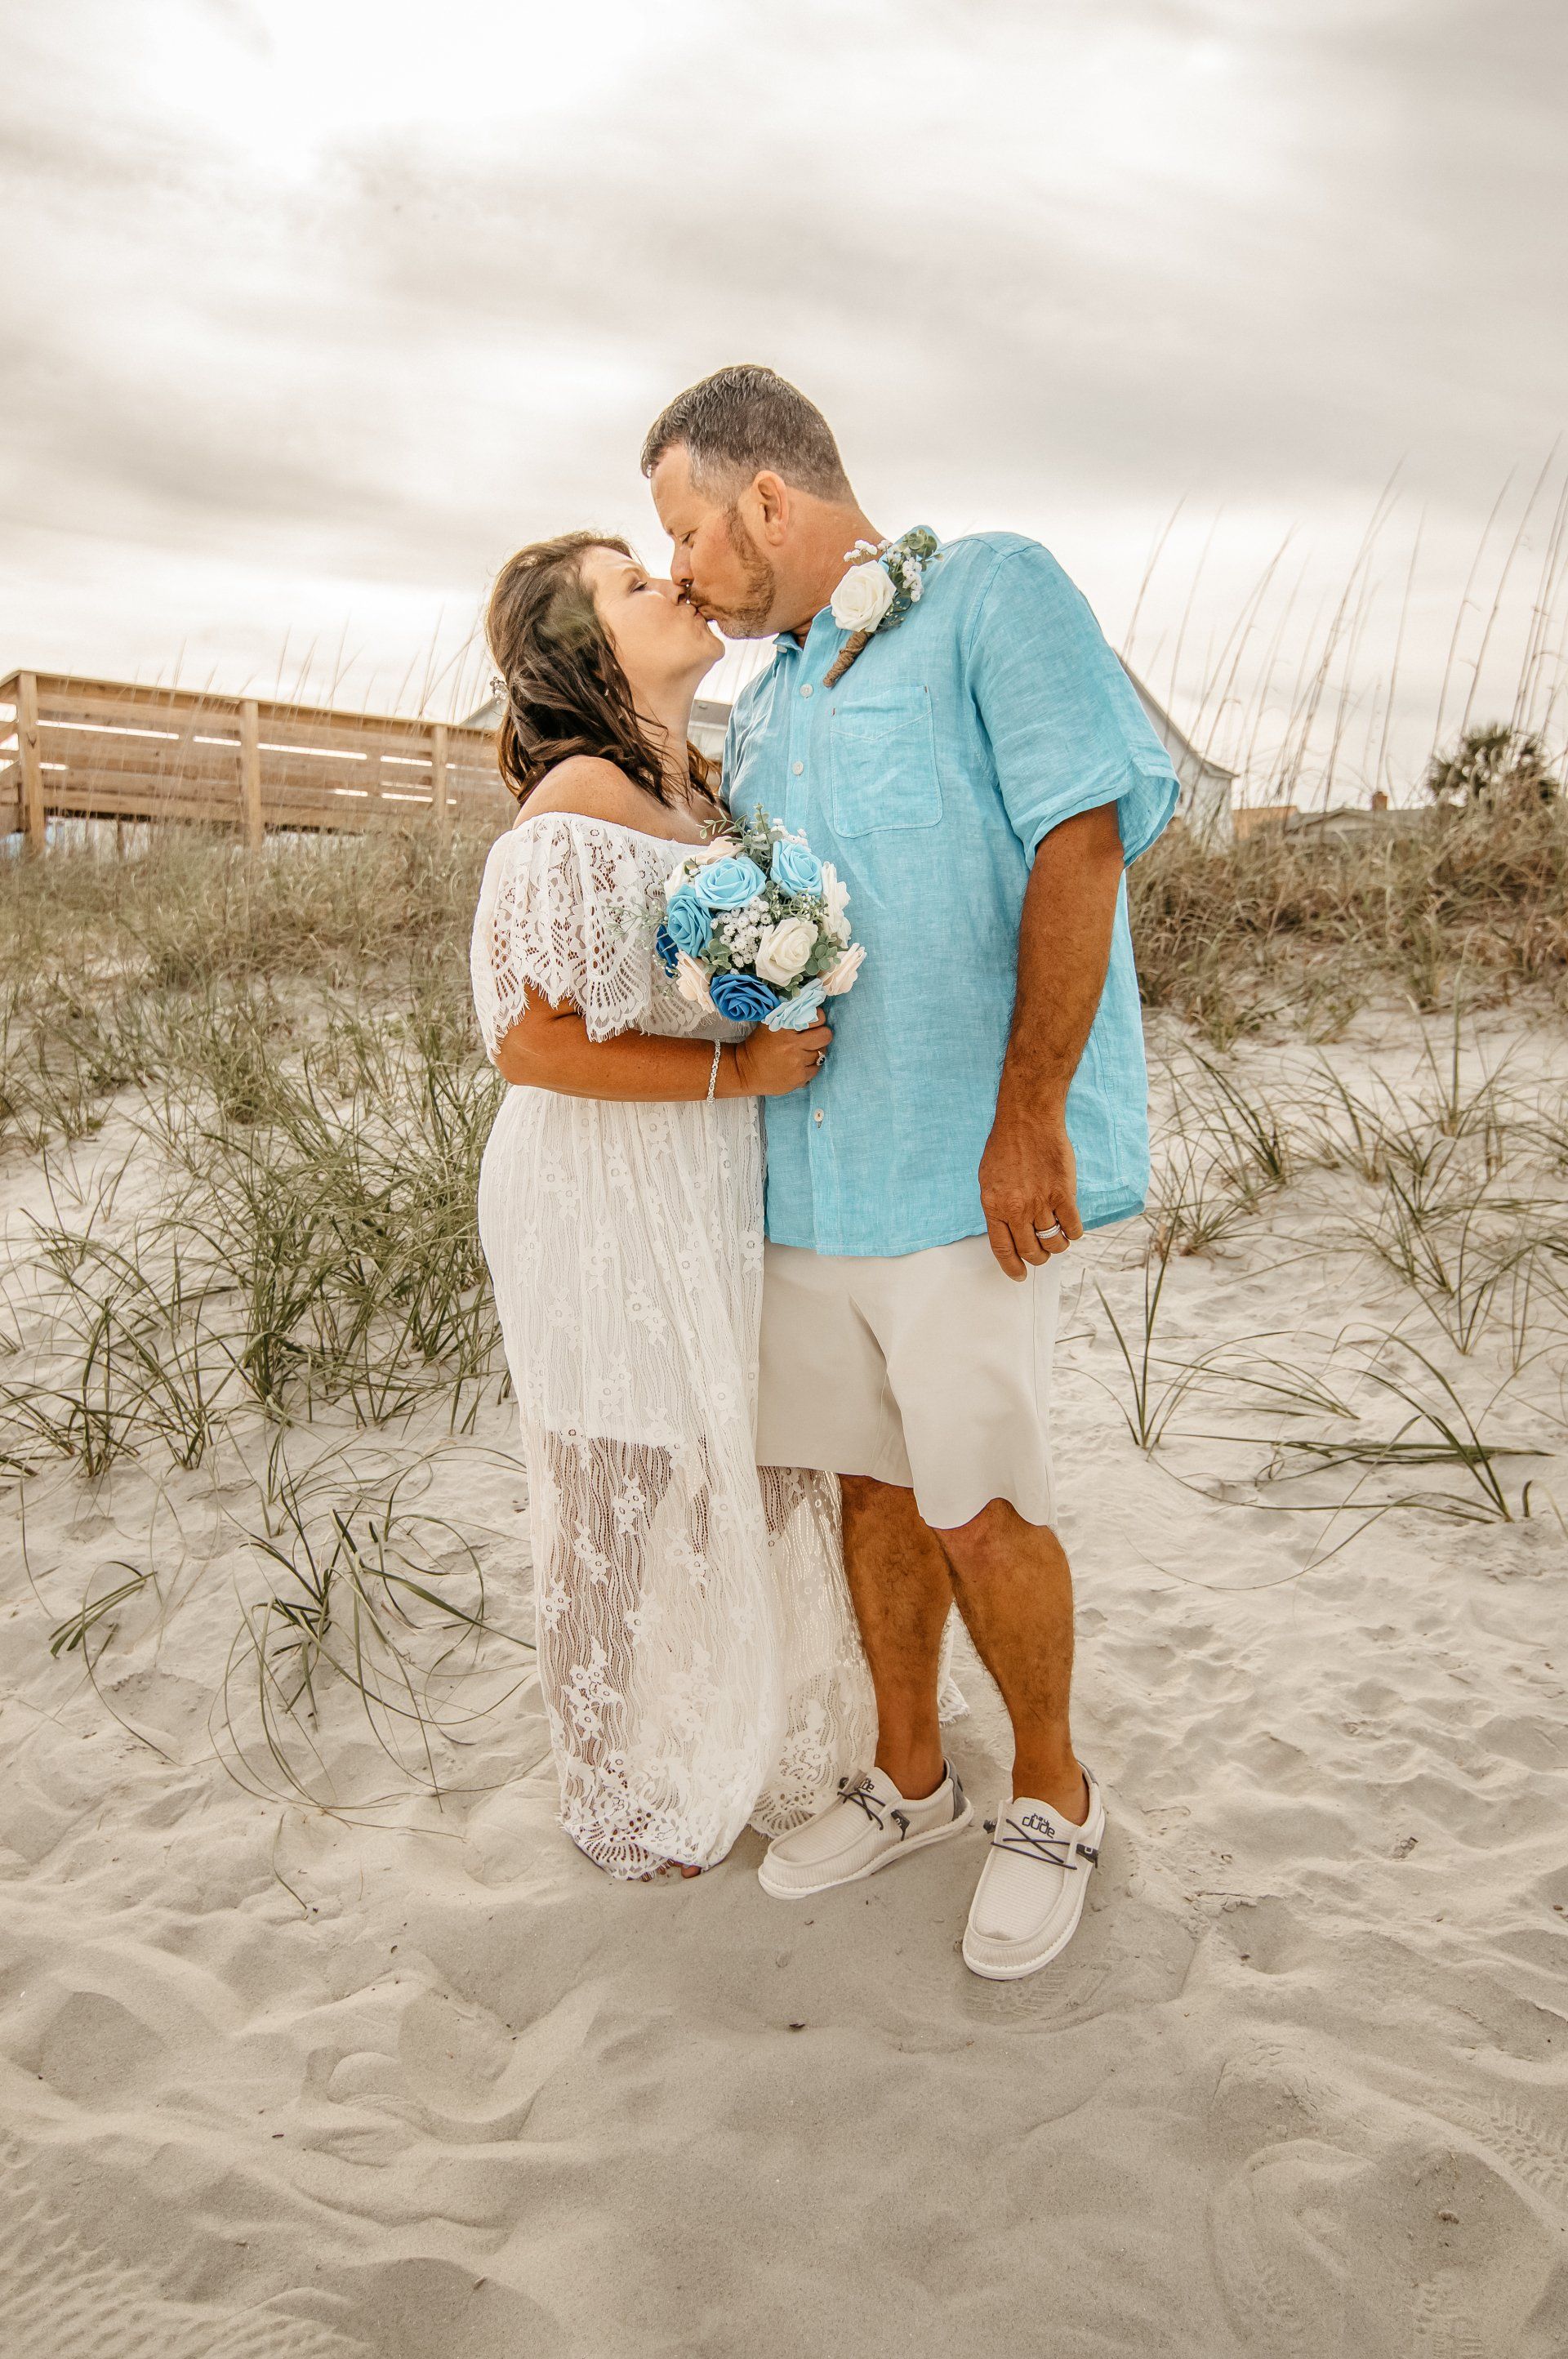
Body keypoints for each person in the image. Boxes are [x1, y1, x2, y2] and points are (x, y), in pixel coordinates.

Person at [641, 365, 1178, 1978]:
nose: (681, 573)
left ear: (766, 501)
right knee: (869, 1493)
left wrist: (1025, 1121)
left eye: (686, 533)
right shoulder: (778, 688)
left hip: (962, 1176)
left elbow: (1081, 843)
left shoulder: (991, 592)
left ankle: (1057, 1797)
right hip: (810, 1180)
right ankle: (910, 1776)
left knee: (984, 1502)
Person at [470, 529, 874, 1881]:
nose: (675, 584)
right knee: (619, 1492)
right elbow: (529, 1042)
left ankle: (757, 1729)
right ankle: (611, 1785)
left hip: (701, 1179)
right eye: (635, 584)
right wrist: (735, 1067)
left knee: (748, 1465)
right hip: (596, 1187)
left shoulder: (702, 778)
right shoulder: (578, 792)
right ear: (588, 650)